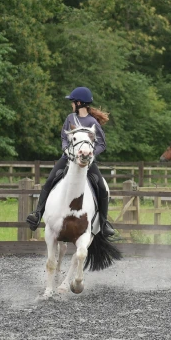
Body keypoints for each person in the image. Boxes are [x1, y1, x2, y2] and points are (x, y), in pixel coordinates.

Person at [26, 86, 116, 237]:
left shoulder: (92, 122)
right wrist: (66, 150)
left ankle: (104, 223)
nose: (71, 104)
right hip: (67, 158)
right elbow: (63, 138)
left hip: (88, 161)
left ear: (80, 103)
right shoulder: (70, 118)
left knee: (101, 187)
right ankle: (37, 214)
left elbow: (102, 144)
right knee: (49, 181)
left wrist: (92, 154)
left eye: (73, 102)